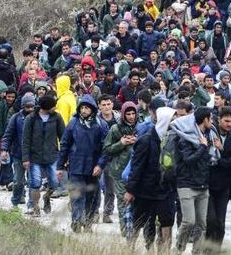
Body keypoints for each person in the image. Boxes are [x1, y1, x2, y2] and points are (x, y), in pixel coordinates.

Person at [125, 106, 176, 252]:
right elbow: (137, 167)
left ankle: (165, 250)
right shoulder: (146, 140)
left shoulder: (172, 140)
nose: (174, 122)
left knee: (167, 220)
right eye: (172, 119)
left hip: (165, 190)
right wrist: (130, 190)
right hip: (145, 190)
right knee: (139, 221)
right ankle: (130, 248)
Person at [56, 95, 109, 233]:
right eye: (82, 107)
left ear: (92, 109)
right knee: (77, 195)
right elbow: (65, 144)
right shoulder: (73, 123)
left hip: (93, 167)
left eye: (87, 108)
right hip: (76, 166)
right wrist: (60, 166)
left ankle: (88, 223)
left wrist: (100, 165)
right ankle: (76, 220)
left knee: (92, 197)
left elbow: (106, 148)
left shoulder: (101, 125)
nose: (84, 110)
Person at [172, 106, 217, 253]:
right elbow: (189, 160)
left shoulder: (210, 135)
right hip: (186, 184)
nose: (213, 121)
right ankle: (178, 249)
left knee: (201, 224)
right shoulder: (186, 137)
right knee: (189, 221)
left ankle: (197, 252)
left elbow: (210, 159)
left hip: (203, 185)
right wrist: (203, 147)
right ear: (205, 119)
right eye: (211, 118)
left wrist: (216, 149)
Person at [206, 106, 231, 252]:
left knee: (220, 224)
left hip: (224, 186)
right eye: (226, 121)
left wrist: (221, 154)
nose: (229, 124)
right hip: (207, 185)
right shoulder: (209, 134)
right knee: (210, 221)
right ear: (219, 119)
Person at [102, 101, 138, 234]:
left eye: (133, 113)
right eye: (128, 114)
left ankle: (134, 228)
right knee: (123, 201)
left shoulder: (141, 127)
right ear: (123, 114)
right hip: (119, 170)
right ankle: (125, 231)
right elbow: (107, 149)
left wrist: (137, 141)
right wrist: (121, 143)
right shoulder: (115, 129)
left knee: (137, 201)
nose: (131, 116)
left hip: (137, 170)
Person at [1, 94, 36, 209]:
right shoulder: (15, 118)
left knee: (33, 181)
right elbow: (8, 135)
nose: (30, 109)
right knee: (17, 181)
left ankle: (32, 205)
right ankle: (15, 202)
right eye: (27, 106)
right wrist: (4, 149)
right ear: (23, 106)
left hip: (33, 155)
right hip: (18, 154)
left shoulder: (37, 118)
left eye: (32, 106)